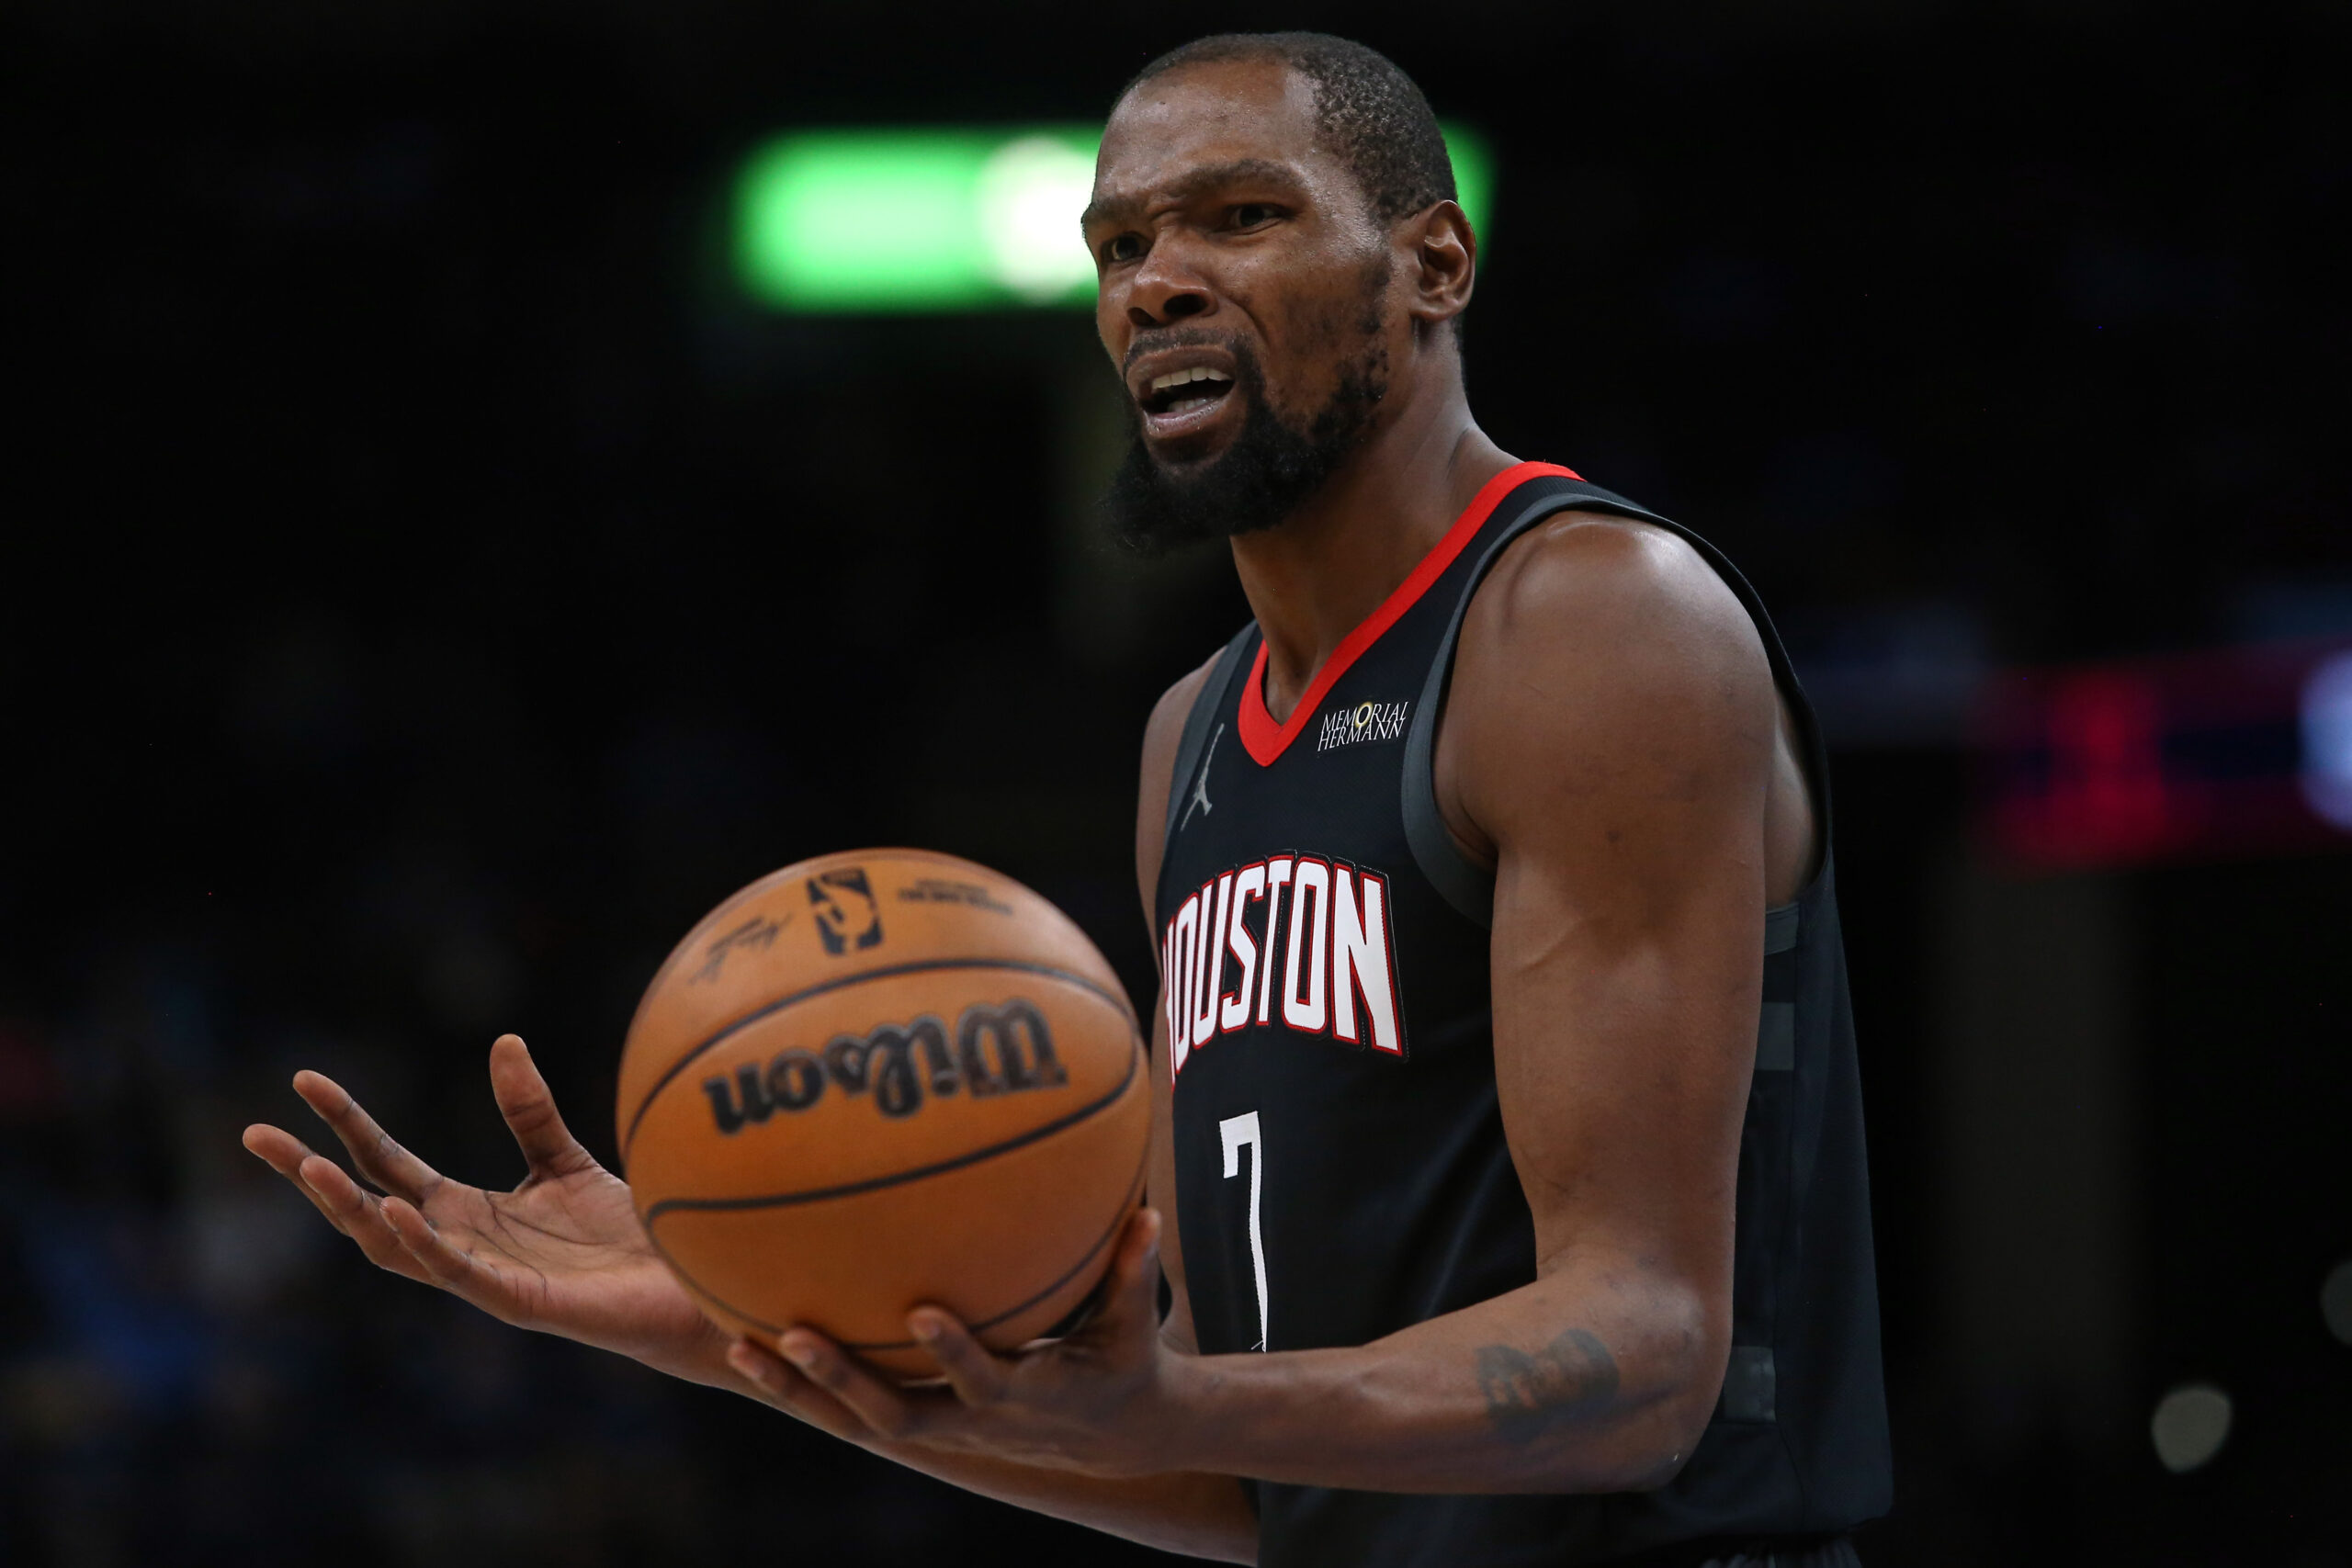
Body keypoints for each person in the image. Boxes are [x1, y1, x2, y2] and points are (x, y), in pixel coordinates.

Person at [243, 31, 1890, 1567]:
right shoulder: (1197, 738)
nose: (1161, 283)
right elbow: (1247, 1473)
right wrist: (733, 1318)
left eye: (1240, 219)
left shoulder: (1591, 622)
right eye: (1119, 250)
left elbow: (1646, 1358)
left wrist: (1176, 1404)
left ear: (1433, 265)